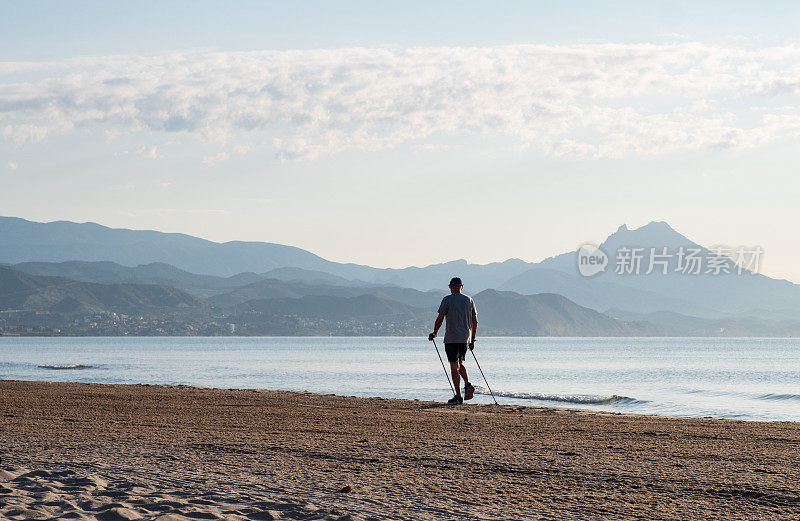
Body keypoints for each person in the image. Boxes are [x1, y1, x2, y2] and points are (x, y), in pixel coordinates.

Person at [428, 277, 478, 405]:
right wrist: (472, 340)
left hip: (451, 338)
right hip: (465, 338)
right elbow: (475, 321)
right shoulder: (469, 300)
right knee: (460, 363)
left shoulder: (447, 300)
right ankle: (467, 384)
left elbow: (439, 319)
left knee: (453, 366)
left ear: (450, 287)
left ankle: (458, 396)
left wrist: (434, 333)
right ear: (461, 287)